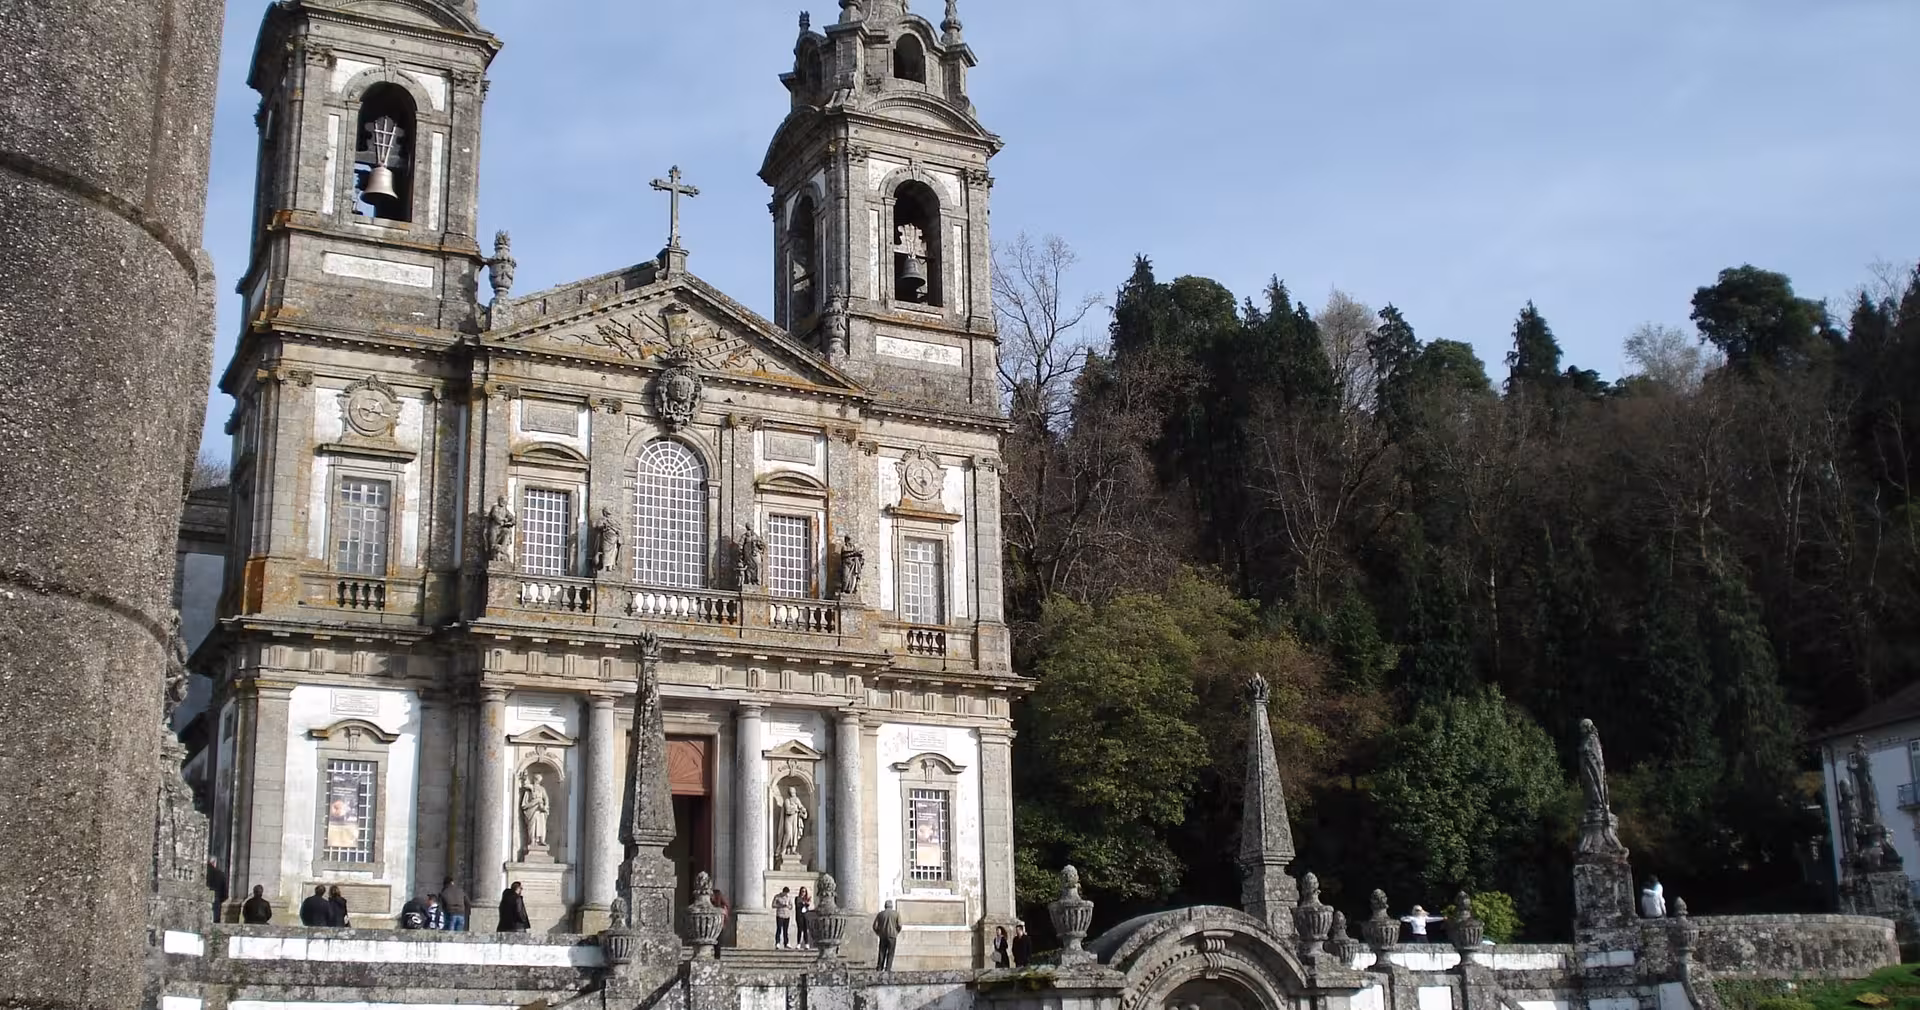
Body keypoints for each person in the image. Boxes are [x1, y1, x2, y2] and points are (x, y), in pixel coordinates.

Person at [873, 899, 903, 971]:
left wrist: (878, 933)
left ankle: (880, 968)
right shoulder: (896, 914)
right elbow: (899, 925)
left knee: (882, 952)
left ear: (885, 906)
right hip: (892, 936)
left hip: (883, 936)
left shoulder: (880, 914)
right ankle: (888, 969)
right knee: (890, 953)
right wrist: (896, 932)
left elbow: (875, 926)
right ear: (892, 906)